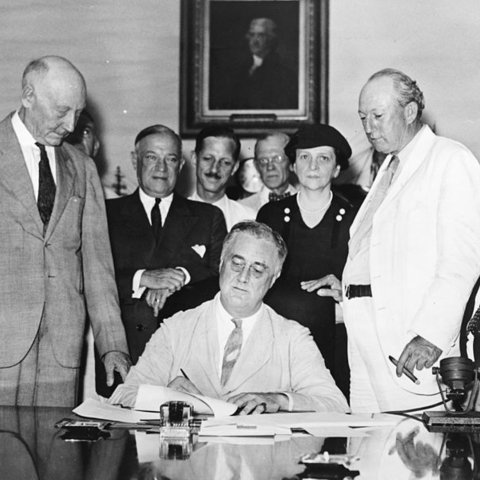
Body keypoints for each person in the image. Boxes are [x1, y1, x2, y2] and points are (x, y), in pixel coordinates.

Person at [343, 68, 480, 412]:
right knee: (368, 452)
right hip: (363, 337)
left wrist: (430, 334)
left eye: (377, 115)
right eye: (363, 117)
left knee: (416, 453)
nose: (368, 127)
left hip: (410, 342)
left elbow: (463, 259)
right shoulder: (389, 166)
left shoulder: (450, 159)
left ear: (409, 111)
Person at [109, 221, 349, 414]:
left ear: (273, 279)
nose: (243, 277)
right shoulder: (176, 328)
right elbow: (123, 395)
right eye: (237, 264)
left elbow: (336, 404)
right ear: (221, 263)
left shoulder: (293, 337)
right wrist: (167, 398)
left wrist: (279, 400)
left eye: (257, 269)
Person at [0, 55, 130, 407]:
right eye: (61, 111)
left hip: (63, 346)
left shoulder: (82, 167)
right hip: (4, 340)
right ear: (28, 95)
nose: (71, 125)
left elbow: (98, 267)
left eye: (78, 112)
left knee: (60, 456)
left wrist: (113, 345)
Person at [97, 124, 228, 396]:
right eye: (151, 157)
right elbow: (91, 279)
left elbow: (220, 275)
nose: (161, 167)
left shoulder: (208, 216)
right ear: (135, 160)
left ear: (181, 165)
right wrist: (142, 278)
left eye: (170, 159)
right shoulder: (105, 214)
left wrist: (179, 275)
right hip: (125, 352)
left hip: (186, 363)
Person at [257, 124, 357, 399]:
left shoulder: (354, 218)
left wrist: (344, 290)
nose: (313, 166)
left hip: (337, 346)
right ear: (294, 165)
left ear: (337, 169)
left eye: (323, 158)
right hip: (279, 346)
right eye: (305, 157)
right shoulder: (271, 215)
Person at [211, 18, 298, 110]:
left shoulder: (285, 75)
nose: (255, 40)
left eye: (261, 35)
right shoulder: (237, 69)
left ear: (271, 39)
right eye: (252, 35)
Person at [188, 125, 255, 230]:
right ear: (194, 159)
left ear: (235, 167)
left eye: (225, 162)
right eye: (208, 158)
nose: (214, 169)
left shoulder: (249, 220)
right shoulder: (171, 216)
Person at [239, 132, 297, 214]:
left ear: (291, 162)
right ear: (256, 166)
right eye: (263, 160)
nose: (270, 167)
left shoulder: (309, 205)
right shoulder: (241, 209)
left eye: (277, 158)